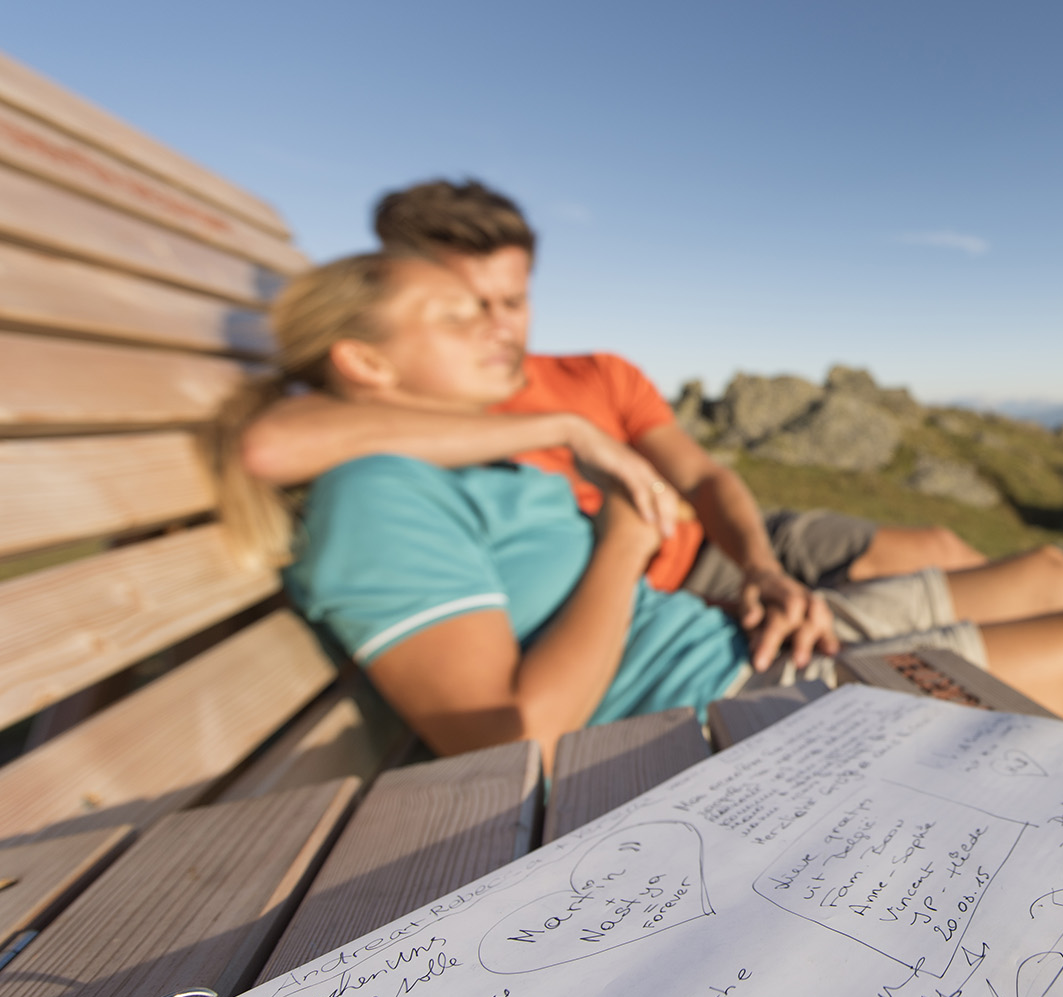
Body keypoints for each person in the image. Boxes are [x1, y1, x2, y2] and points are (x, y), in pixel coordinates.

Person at [221, 252, 1063, 775]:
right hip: (717, 723)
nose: (502, 328)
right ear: (367, 369)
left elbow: (679, 503)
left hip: (753, 650)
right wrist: (617, 531)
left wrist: (601, 482)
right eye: (457, 317)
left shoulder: (458, 466)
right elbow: (508, 741)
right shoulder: (382, 497)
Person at [240, 179, 985, 675]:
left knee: (943, 549)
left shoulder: (598, 373)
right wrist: (567, 433)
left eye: (514, 301)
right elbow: (278, 441)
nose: (499, 327)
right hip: (651, 601)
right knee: (1022, 626)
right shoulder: (424, 409)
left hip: (719, 544)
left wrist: (761, 565)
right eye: (466, 305)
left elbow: (699, 476)